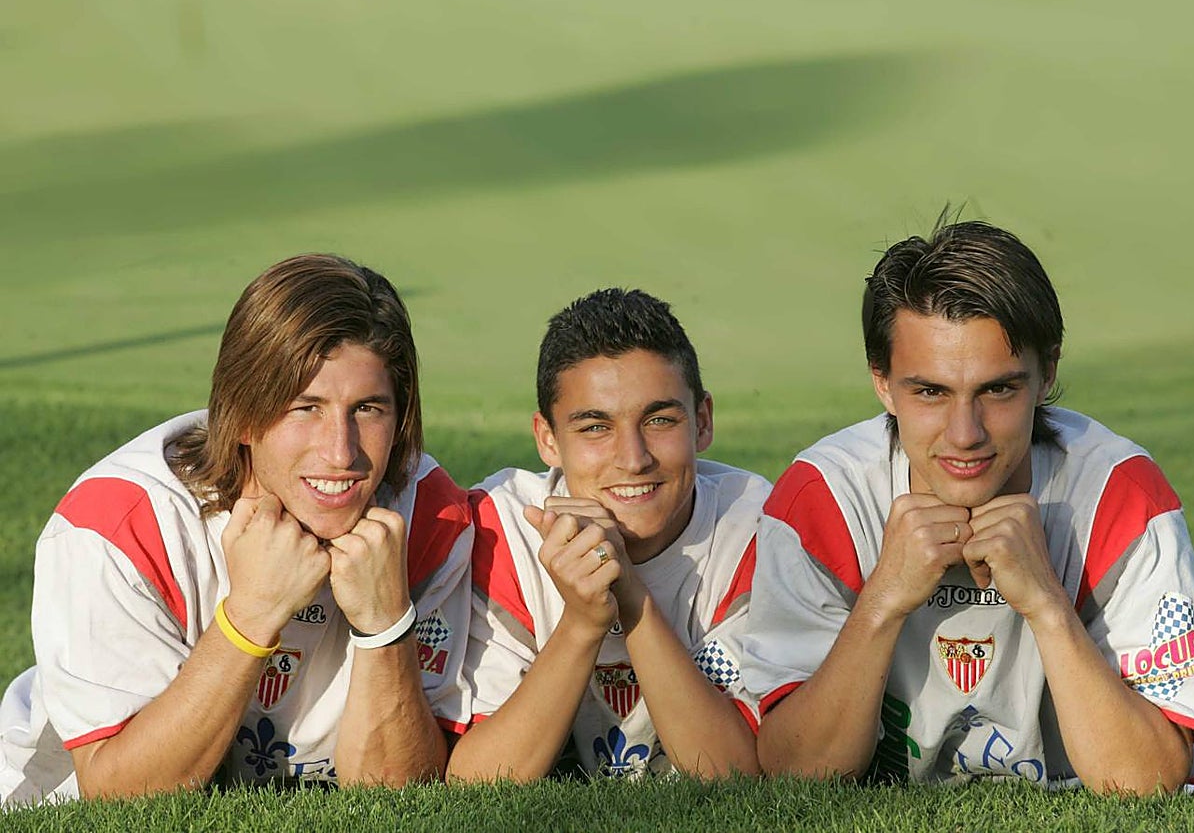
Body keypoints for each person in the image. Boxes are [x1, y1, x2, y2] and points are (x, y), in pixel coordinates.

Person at [744, 220, 1194, 793]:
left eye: (998, 390)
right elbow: (797, 773)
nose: (965, 434)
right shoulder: (823, 498)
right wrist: (882, 601)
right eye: (930, 391)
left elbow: (1148, 781)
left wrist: (1047, 606)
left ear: (1048, 373)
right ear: (882, 383)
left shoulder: (1120, 495)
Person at [0, 254, 473, 804]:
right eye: (305, 408)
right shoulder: (118, 524)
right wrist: (249, 616)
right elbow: (118, 794)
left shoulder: (432, 513)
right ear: (242, 415)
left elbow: (401, 794)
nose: (341, 453)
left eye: (367, 408)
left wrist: (385, 623)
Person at [447, 288, 767, 780]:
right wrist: (582, 624)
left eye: (659, 420)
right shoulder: (503, 526)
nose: (633, 458)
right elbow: (477, 781)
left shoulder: (754, 526)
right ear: (548, 439)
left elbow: (730, 775)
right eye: (595, 427)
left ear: (702, 422)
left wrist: (631, 597)